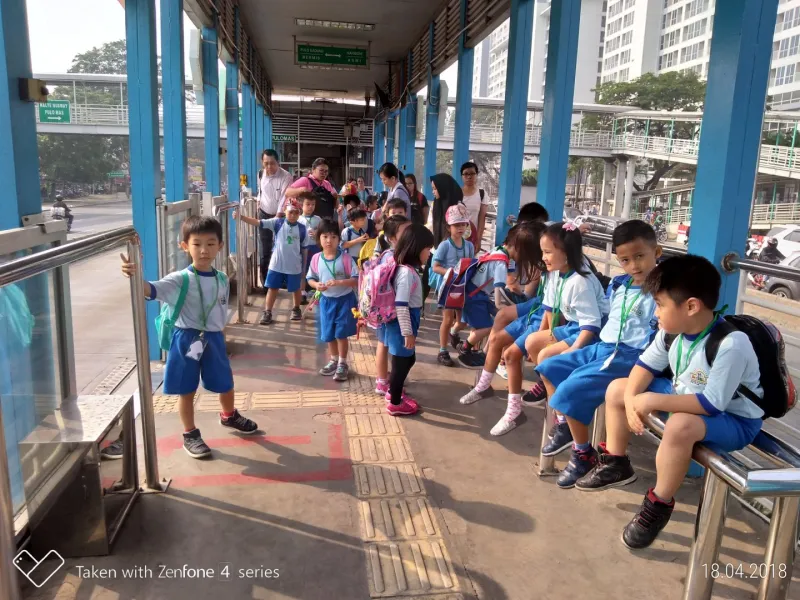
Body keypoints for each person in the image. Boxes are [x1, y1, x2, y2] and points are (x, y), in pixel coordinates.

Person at [575, 255, 764, 550]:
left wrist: (649, 399)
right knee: (617, 388)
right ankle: (615, 463)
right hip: (684, 394)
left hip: (734, 418)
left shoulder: (730, 344)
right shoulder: (671, 332)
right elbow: (643, 367)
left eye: (661, 305)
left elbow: (712, 404)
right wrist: (630, 399)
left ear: (691, 306)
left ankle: (658, 504)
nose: (657, 312)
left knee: (680, 425)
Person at [120, 216, 258, 458]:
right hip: (186, 339)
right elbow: (151, 290)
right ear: (185, 246)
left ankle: (229, 415)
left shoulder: (222, 278)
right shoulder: (179, 279)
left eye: (210, 243)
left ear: (220, 246)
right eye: (197, 244)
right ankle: (190, 433)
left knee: (225, 382)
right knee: (187, 389)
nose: (204, 250)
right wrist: (134, 274)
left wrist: (220, 337)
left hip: (213, 338)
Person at [536, 221, 660, 487]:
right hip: (603, 347)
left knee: (569, 389)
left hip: (629, 356)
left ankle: (582, 453)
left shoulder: (661, 291)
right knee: (548, 366)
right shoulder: (619, 284)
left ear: (656, 253)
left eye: (640, 256)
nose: (634, 265)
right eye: (625, 259)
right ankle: (567, 425)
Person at [487, 222, 608, 436]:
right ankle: (546, 386)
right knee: (534, 344)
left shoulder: (581, 281)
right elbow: (550, 312)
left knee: (545, 357)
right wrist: (546, 337)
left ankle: (562, 420)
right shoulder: (555, 274)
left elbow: (591, 325)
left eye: (548, 252)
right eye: (542, 252)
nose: (543, 257)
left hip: (590, 332)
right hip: (571, 327)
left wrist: (568, 350)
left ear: (567, 253)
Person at [456, 224, 541, 370]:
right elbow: (498, 292)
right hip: (476, 296)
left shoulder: (497, 250)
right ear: (518, 248)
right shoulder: (502, 263)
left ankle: (482, 353)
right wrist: (503, 308)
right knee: (490, 325)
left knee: (494, 320)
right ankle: (466, 347)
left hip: (474, 293)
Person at [378, 223, 435, 415]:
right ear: (417, 248)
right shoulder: (406, 273)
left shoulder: (405, 269)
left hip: (403, 322)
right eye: (428, 249)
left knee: (407, 359)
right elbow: (401, 305)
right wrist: (407, 333)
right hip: (402, 323)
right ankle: (394, 402)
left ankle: (394, 392)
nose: (429, 253)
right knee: (401, 363)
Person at [236, 199, 307, 325]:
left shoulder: (302, 229)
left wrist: (304, 268)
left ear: (299, 213)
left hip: (294, 264)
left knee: (296, 288)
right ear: (284, 211)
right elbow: (258, 222)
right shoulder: (277, 223)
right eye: (290, 212)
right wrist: (241, 217)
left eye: (296, 212)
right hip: (277, 264)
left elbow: (304, 248)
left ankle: (296, 309)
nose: (293, 215)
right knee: (272, 288)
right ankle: (267, 311)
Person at [306, 218, 359, 382]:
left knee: (340, 333)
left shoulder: (345, 259)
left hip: (345, 301)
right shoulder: (316, 259)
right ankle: (334, 360)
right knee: (329, 334)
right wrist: (316, 285)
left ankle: (343, 363)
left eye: (333, 237)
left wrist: (339, 282)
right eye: (325, 237)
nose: (329, 241)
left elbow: (356, 279)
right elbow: (310, 278)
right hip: (326, 302)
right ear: (319, 239)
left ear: (339, 239)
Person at [373, 215, 412, 397]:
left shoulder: (390, 255)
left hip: (386, 308)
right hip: (390, 309)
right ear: (391, 238)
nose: (409, 234)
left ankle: (384, 379)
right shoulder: (393, 256)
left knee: (385, 343)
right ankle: (384, 381)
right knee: (387, 345)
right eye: (405, 231)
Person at [431, 205, 475, 367]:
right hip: (449, 288)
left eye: (463, 224)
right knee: (448, 319)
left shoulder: (469, 246)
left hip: (463, 288)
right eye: (457, 225)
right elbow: (435, 266)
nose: (461, 228)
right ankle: (443, 350)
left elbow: (471, 265)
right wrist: (449, 272)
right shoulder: (444, 246)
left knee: (463, 320)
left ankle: (453, 334)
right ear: (449, 227)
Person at [256, 149, 294, 284]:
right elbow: (260, 191)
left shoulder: (286, 176)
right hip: (264, 213)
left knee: (282, 248)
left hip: (281, 216)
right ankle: (266, 282)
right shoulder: (260, 174)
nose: (269, 167)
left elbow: (285, 197)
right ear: (262, 163)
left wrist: (278, 217)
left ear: (278, 162)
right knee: (265, 249)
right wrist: (258, 202)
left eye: (272, 163)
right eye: (266, 163)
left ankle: (281, 281)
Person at [459, 162, 490, 252]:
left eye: (472, 173)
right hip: (457, 236)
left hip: (472, 237)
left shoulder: (482, 194)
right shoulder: (457, 193)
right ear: (462, 176)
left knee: (469, 263)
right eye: (466, 174)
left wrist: (478, 239)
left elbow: (482, 218)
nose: (469, 177)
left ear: (476, 175)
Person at [298, 193, 322, 303]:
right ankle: (302, 292)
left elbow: (323, 232)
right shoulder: (298, 219)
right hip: (303, 248)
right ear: (301, 205)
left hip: (315, 247)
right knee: (303, 269)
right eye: (308, 204)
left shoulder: (318, 219)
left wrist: (317, 232)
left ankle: (315, 291)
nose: (310, 207)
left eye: (313, 204)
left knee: (316, 269)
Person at [430, 173, 465, 249]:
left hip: (454, 248)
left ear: (443, 188)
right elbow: (432, 225)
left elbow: (464, 230)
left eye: (435, 189)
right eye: (432, 189)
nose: (433, 192)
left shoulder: (458, 208)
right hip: (437, 248)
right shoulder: (436, 203)